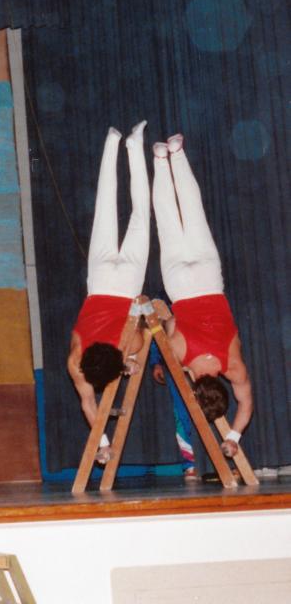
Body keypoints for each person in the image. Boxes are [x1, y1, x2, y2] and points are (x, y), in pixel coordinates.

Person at [151, 134, 253, 459]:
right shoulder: (180, 356)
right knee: (167, 221)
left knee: (194, 213)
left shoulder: (233, 366)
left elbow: (247, 403)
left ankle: (177, 153)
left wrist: (234, 436)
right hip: (181, 287)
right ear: (197, 388)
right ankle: (160, 159)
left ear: (222, 385)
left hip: (209, 280)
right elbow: (169, 322)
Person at [66, 123, 149, 464]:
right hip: (99, 281)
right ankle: (113, 141)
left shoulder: (125, 346)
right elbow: (89, 403)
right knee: (105, 210)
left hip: (126, 285)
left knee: (140, 215)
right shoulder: (75, 359)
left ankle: (135, 144)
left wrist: (128, 361)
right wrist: (101, 443)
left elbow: (89, 403)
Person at [148, 342, 197, 480]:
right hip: (174, 364)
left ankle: (221, 462)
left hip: (200, 358)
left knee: (210, 411)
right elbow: (157, 334)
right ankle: (190, 464)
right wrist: (156, 362)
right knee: (182, 416)